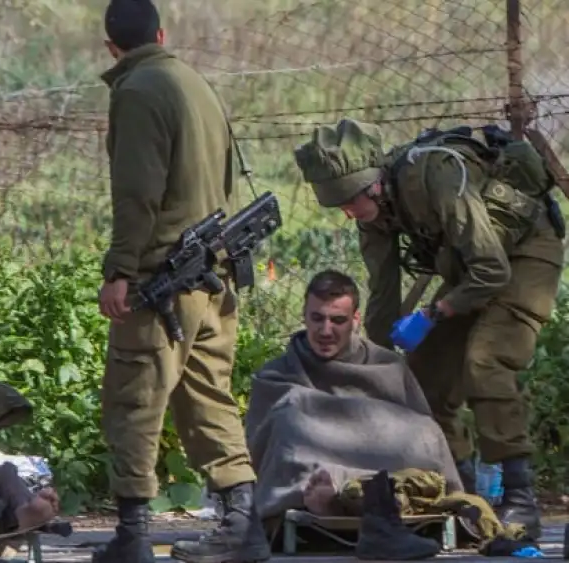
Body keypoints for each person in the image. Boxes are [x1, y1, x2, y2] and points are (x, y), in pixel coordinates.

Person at [293, 118, 564, 540]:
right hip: (469, 270)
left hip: (525, 254)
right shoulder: (374, 217)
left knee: (485, 362)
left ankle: (520, 500)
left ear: (373, 185)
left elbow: (491, 269)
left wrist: (434, 314)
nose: (348, 214)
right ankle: (463, 495)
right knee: (423, 378)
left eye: (349, 202)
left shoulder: (434, 176)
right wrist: (372, 367)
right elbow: (382, 297)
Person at [93, 1, 270, 562]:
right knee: (207, 395)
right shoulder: (195, 83)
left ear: (110, 47)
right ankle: (244, 521)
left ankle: (133, 534)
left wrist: (121, 269)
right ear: (162, 35)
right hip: (211, 277)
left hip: (162, 281)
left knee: (133, 400)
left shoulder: (138, 91)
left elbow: (137, 194)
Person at [245, 269, 461, 525]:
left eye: (337, 320)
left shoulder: (387, 367)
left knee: (424, 431)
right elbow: (257, 450)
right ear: (304, 317)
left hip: (386, 474)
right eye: (317, 318)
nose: (325, 330)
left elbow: (422, 433)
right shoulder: (276, 375)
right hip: (312, 475)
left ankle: (351, 495)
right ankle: (337, 496)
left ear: (355, 319)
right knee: (291, 415)